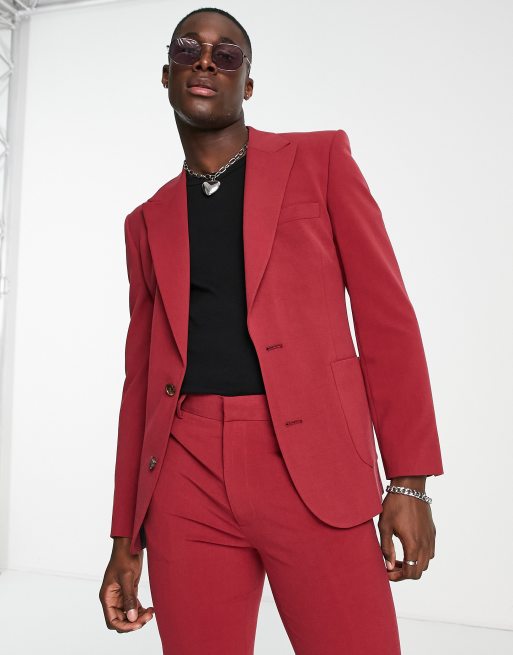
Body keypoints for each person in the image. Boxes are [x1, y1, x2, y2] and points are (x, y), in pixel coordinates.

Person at [99, 7, 444, 654]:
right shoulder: (147, 221)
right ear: (167, 75)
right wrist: (126, 535)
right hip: (184, 476)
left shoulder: (318, 160)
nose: (206, 61)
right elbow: (140, 381)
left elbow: (386, 319)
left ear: (248, 83)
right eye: (188, 49)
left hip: (312, 464)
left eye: (226, 53)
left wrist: (409, 479)